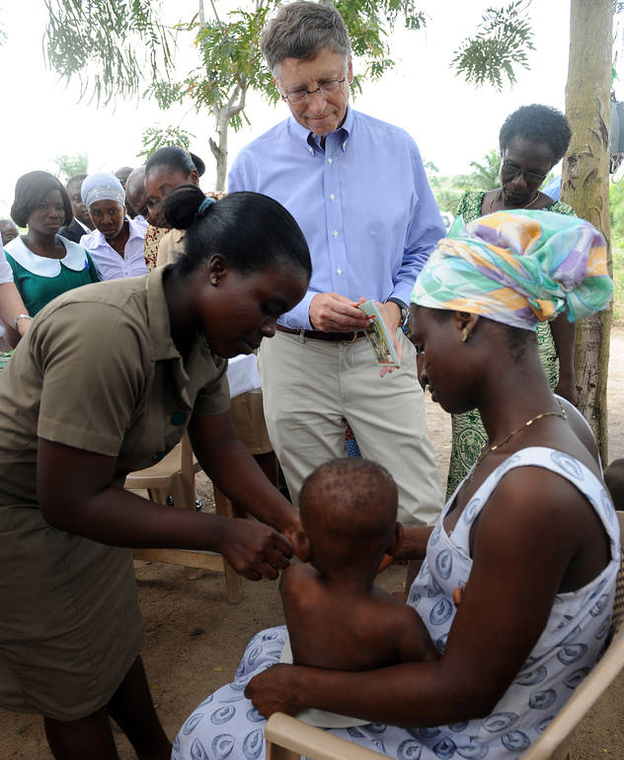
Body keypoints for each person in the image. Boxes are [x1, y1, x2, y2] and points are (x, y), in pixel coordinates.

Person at [169, 210, 618, 760]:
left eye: (422, 343)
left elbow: (464, 692)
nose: (420, 370)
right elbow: (499, 558)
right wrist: (402, 540)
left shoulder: (533, 495)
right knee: (262, 654)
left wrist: (303, 688)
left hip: (462, 748)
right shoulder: (559, 424)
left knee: (212, 731)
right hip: (462, 687)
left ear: (464, 321)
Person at [0, 184, 311, 760]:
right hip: (20, 516)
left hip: (93, 502)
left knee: (112, 640)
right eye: (268, 307)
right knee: (72, 687)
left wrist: (288, 519)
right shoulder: (105, 332)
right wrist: (221, 533)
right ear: (217, 271)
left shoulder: (207, 333)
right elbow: (66, 500)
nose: (272, 329)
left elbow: (219, 445)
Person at [228, 1, 445, 525]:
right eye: (298, 92)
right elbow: (239, 270)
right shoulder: (254, 164)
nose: (317, 103)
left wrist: (397, 307)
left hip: (381, 347)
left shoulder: (399, 149)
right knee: (319, 506)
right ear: (278, 85)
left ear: (350, 68)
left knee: (416, 503)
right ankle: (338, 608)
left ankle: (419, 608)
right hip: (293, 354)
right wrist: (303, 306)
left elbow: (426, 247)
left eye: (328, 82)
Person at [448, 104, 577, 496]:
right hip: (472, 357)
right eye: (512, 167)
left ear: (551, 167)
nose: (520, 182)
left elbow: (564, 307)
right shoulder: (470, 207)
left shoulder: (561, 220)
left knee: (525, 461)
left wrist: (568, 379)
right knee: (472, 459)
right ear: (501, 150)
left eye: (535, 174)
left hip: (532, 365)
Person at [146, 146, 279, 489]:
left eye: (167, 191)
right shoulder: (165, 242)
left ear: (193, 179)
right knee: (217, 444)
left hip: (241, 361)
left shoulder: (231, 225)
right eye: (152, 200)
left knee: (258, 445)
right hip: (199, 361)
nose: (161, 205)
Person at [281, 458, 439, 681]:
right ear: (395, 541)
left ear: (301, 544)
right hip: (364, 712)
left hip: (307, 704)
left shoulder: (294, 581)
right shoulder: (401, 621)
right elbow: (433, 675)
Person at [4, 171, 99, 316]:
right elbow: (13, 328)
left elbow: (99, 302)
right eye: (43, 206)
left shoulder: (80, 252)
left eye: (59, 207)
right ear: (25, 208)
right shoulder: (10, 259)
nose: (54, 213)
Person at [79, 172, 148, 281]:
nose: (106, 221)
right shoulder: (87, 247)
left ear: (124, 209)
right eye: (97, 213)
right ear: (89, 214)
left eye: (112, 211)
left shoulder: (147, 232)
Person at [58, 173, 95, 243]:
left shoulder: (111, 227)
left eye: (89, 196)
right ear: (69, 203)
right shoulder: (63, 238)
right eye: (78, 199)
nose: (85, 203)